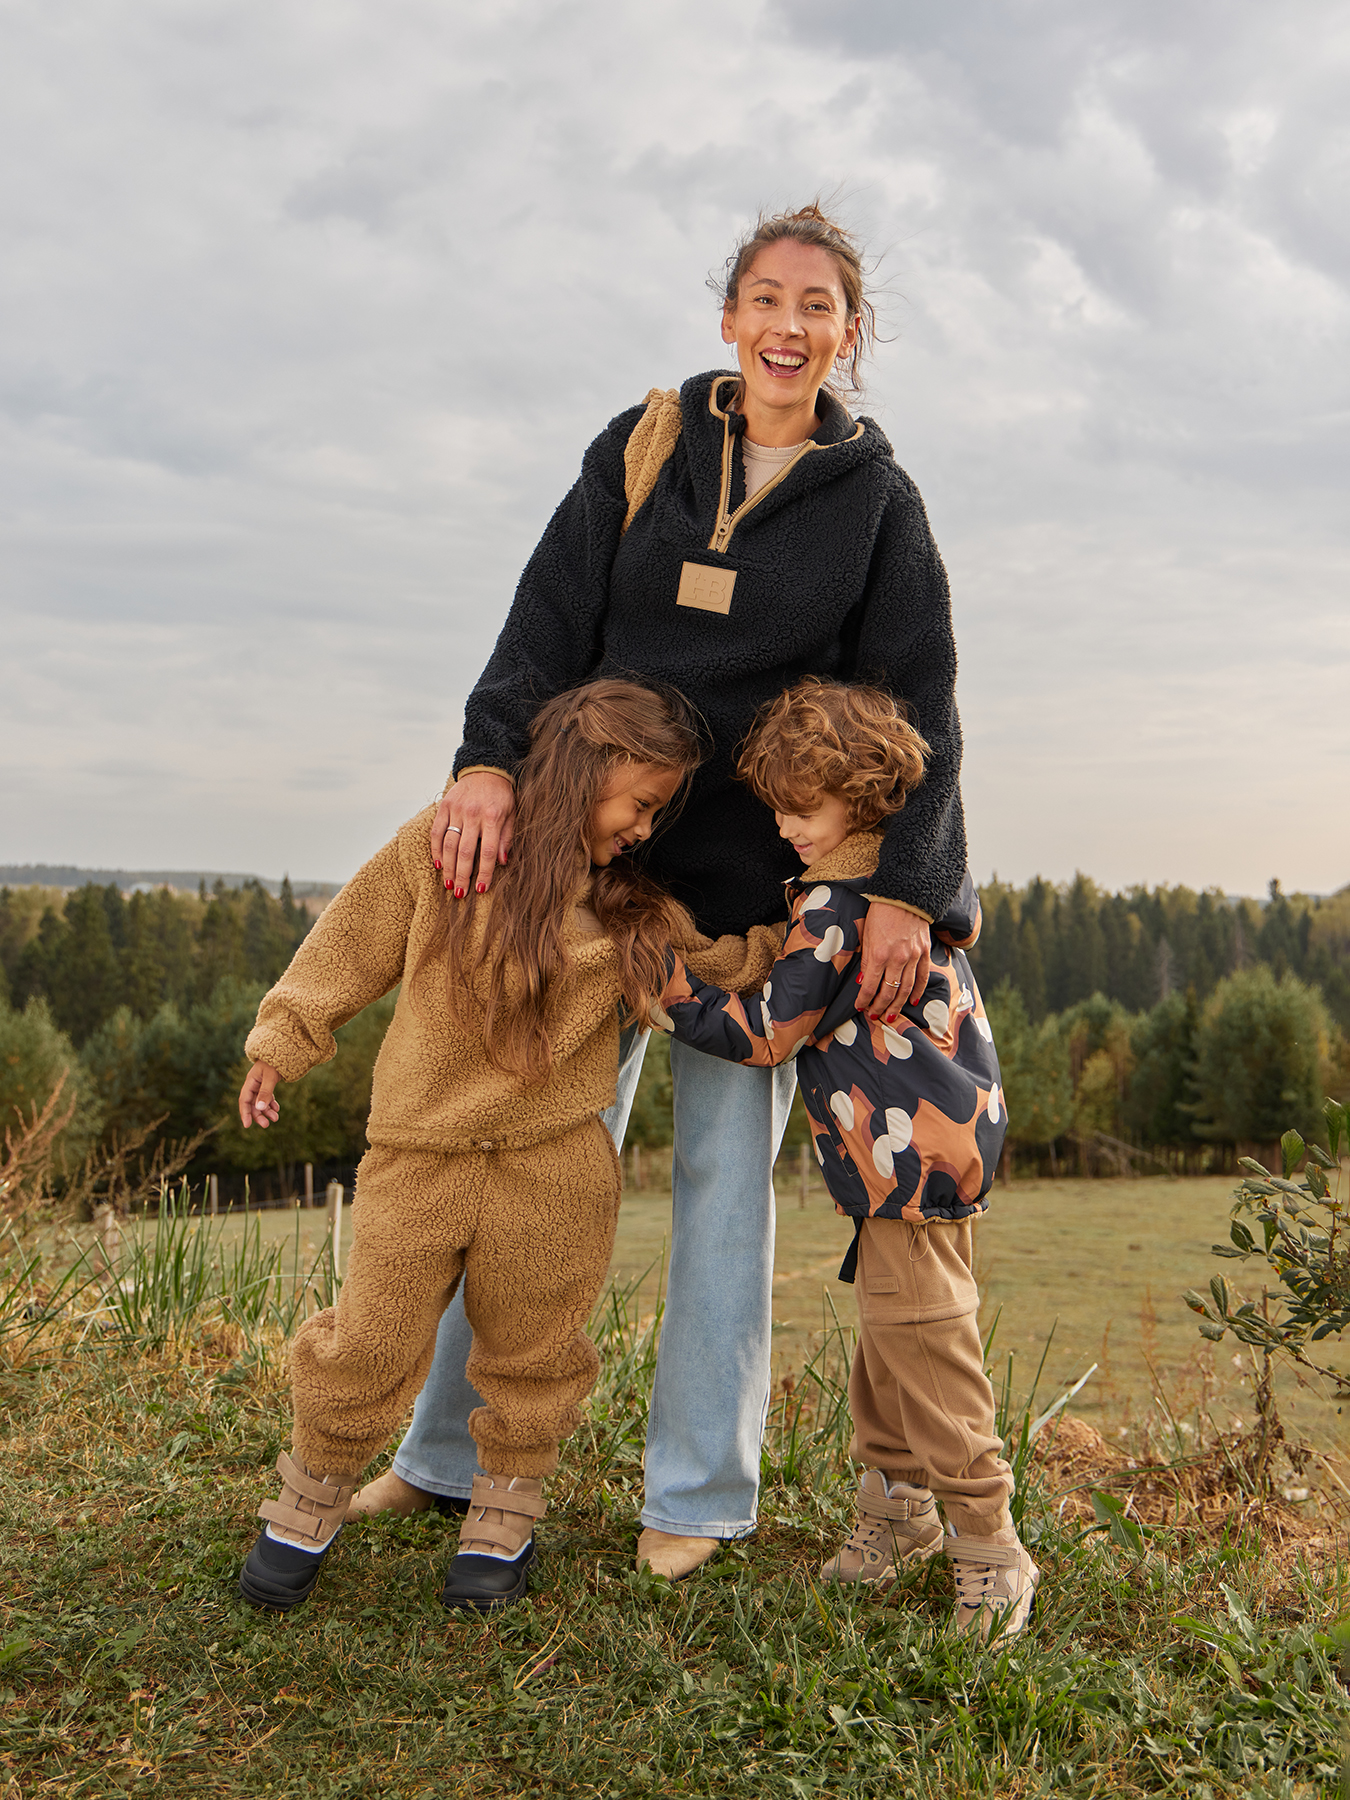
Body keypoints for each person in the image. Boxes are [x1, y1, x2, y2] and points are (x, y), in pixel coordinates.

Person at [352, 201, 972, 1581]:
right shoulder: (639, 448)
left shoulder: (876, 505)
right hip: (595, 873)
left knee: (717, 1190)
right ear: (727, 318)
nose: (787, 327)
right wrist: (485, 766)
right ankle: (441, 1461)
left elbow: (919, 707)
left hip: (749, 911)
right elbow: (543, 620)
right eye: (765, 298)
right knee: (513, 1159)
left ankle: (695, 1498)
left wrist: (906, 897)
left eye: (816, 307)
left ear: (848, 337)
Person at [232, 679, 778, 1615]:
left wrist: (802, 935)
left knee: (533, 1352)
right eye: (639, 803)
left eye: (657, 811)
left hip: (553, 1173)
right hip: (419, 1158)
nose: (646, 828)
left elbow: (726, 966)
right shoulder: (444, 852)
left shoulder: (632, 916)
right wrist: (282, 1041)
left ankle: (504, 1510)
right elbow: (348, 941)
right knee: (371, 1336)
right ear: (581, 771)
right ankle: (311, 1490)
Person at [653, 677, 1038, 1640]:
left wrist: (672, 1000)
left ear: (865, 800)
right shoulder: (912, 887)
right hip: (929, 1144)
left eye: (802, 809)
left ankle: (990, 1542)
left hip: (902, 1153)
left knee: (927, 1336)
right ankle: (896, 1508)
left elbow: (772, 1032)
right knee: (890, 1332)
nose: (785, 827)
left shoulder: (836, 904)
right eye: (778, 807)